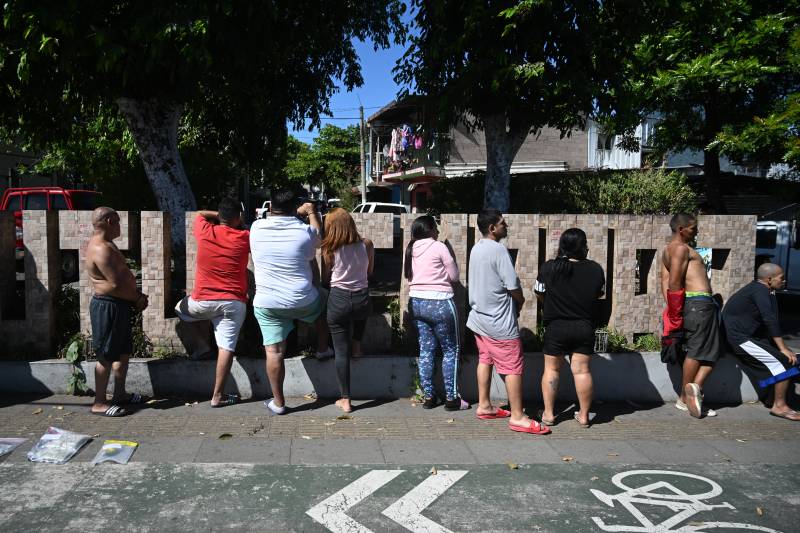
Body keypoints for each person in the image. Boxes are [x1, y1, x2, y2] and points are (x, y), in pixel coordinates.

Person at [467, 209, 550, 435]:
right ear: (492, 228)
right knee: (513, 367)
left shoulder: (477, 248)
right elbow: (512, 283)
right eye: (503, 223)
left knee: (485, 358)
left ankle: (484, 405)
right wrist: (521, 300)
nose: (507, 226)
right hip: (499, 322)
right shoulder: (499, 250)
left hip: (478, 318)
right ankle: (518, 417)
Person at [251, 187, 331, 415]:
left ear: (270, 205)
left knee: (274, 352)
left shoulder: (256, 228)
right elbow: (319, 238)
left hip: (267, 304)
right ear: (295, 206)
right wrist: (312, 212)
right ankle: (323, 349)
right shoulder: (304, 232)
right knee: (325, 301)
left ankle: (278, 402)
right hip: (303, 301)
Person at [174, 198, 250, 408]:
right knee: (226, 348)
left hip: (203, 302)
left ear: (219, 215)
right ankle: (218, 396)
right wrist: (238, 222)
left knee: (180, 309)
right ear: (239, 217)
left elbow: (199, 213)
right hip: (234, 303)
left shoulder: (206, 231)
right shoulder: (244, 236)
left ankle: (202, 345)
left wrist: (219, 216)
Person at [534, 228, 605, 428]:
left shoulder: (550, 268)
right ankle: (583, 416)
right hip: (584, 326)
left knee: (552, 369)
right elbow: (598, 294)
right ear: (582, 247)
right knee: (582, 371)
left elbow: (539, 292)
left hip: (556, 326)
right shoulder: (595, 269)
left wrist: (551, 301)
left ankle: (548, 414)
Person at [85, 207, 148, 417]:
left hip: (119, 304)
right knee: (106, 355)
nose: (121, 225)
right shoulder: (101, 248)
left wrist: (135, 295)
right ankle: (99, 402)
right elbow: (113, 285)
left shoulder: (108, 245)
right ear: (109, 221)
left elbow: (122, 279)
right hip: (108, 305)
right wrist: (137, 299)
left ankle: (119, 394)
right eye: (118, 222)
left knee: (122, 352)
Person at [406, 215, 469, 411]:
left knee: (426, 350)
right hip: (440, 303)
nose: (439, 232)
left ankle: (429, 397)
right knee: (451, 350)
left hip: (416, 303)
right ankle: (452, 399)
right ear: (430, 229)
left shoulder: (411, 248)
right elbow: (454, 276)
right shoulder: (439, 246)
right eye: (436, 227)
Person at [661, 213, 720, 418]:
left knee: (702, 351)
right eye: (693, 228)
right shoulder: (680, 249)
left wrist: (674, 309)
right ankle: (688, 396)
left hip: (694, 305)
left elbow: (665, 281)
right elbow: (673, 283)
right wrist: (675, 311)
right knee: (702, 352)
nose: (696, 231)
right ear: (681, 229)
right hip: (699, 304)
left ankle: (687, 395)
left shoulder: (668, 251)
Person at [722, 263, 799, 421]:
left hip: (749, 337)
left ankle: (771, 399)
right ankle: (779, 406)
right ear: (769, 279)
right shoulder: (759, 290)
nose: (784, 281)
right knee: (783, 362)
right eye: (781, 278)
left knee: (793, 361)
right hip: (739, 339)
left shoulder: (765, 290)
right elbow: (769, 319)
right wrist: (783, 348)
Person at [320, 208, 375, 413]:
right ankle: (358, 346)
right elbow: (369, 272)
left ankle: (345, 399)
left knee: (340, 353)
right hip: (362, 299)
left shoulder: (329, 249)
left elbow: (326, 279)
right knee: (362, 310)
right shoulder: (367, 244)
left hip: (339, 300)